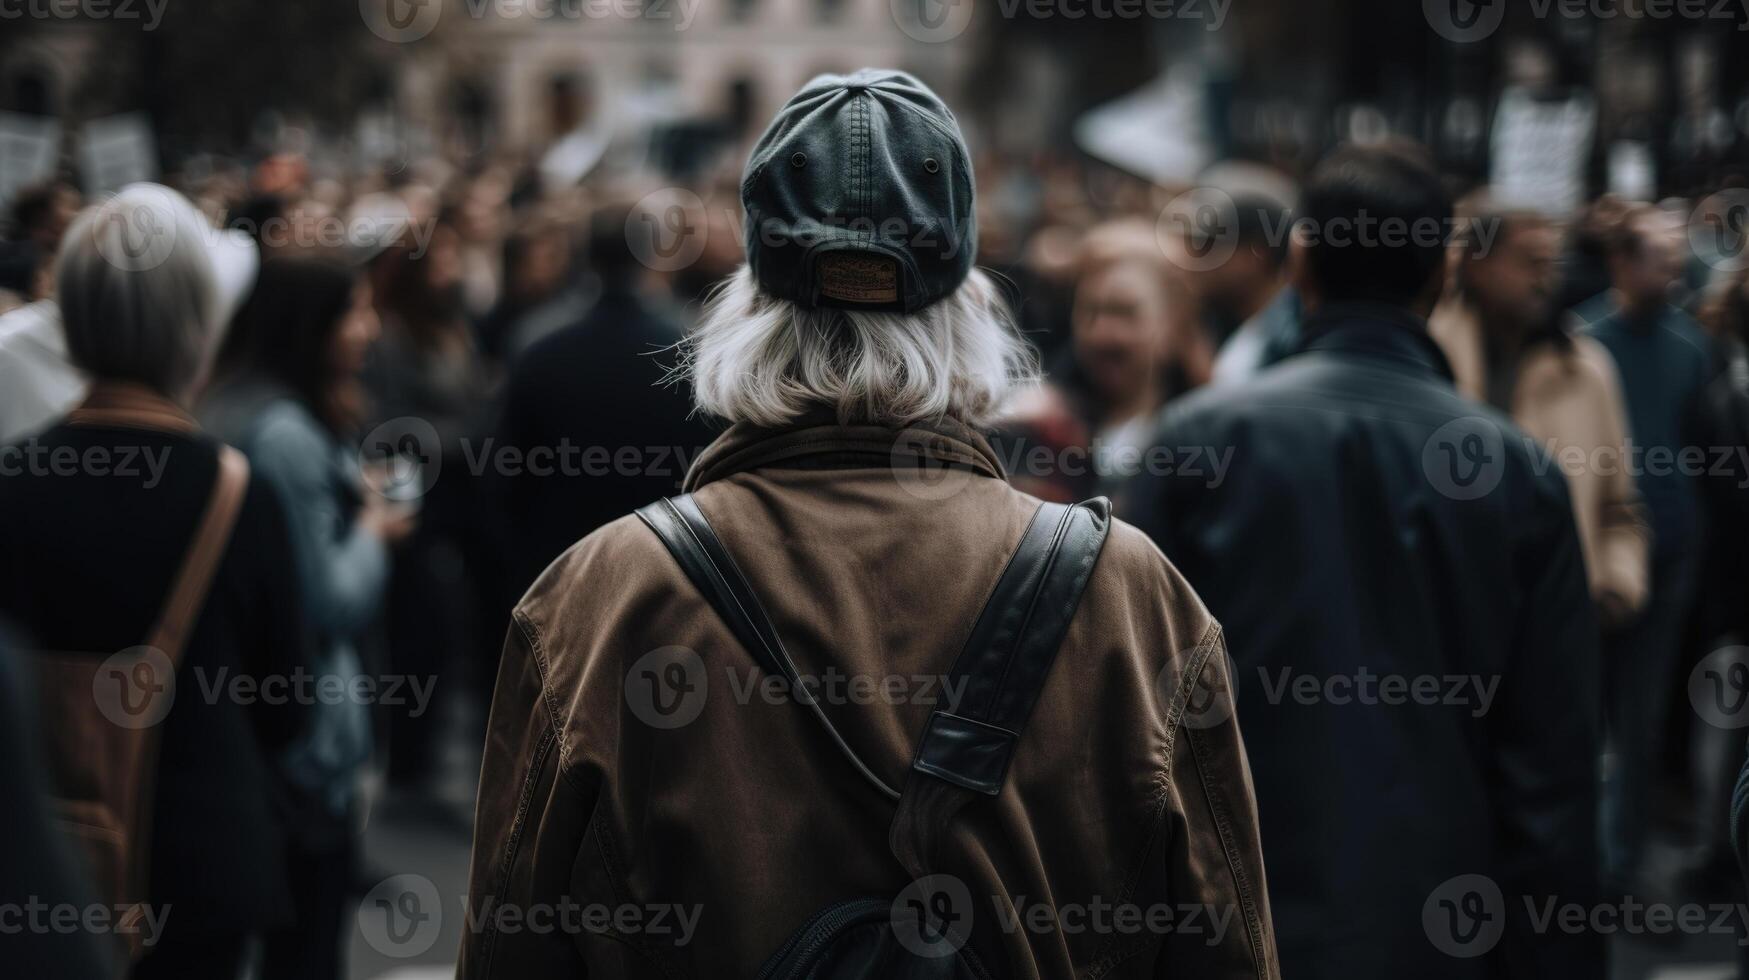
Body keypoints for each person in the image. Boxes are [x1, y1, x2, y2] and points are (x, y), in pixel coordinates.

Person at [461, 69, 1277, 979]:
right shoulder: (1134, 598)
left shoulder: (597, 599)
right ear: (967, 308)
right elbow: (1225, 948)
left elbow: (510, 952)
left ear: (751, 308)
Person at [1123, 144, 1601, 979]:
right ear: (1444, 272)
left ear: (1299, 258)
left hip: (1225, 927)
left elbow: (1126, 718)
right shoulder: (1516, 472)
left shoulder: (1195, 444)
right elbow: (1552, 771)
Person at [0, 184, 308, 979]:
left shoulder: (11, 481)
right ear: (198, 323)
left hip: (37, 864)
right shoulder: (241, 493)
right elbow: (288, 707)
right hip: (200, 866)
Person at [202, 255, 412, 980]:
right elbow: (326, 597)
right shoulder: (284, 435)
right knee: (307, 952)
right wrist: (374, 528)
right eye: (353, 311)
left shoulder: (240, 405)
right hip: (305, 750)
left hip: (268, 741)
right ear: (309, 326)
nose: (369, 327)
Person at [1430, 198, 1650, 626]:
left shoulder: (1587, 371)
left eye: (1551, 263)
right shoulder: (1429, 355)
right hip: (1443, 621)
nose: (1545, 279)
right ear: (1475, 265)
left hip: (1552, 624)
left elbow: (1620, 508)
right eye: (1529, 262)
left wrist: (1614, 587)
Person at [1586, 207, 1716, 890]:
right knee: (1579, 717)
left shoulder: (1690, 345)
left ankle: (1621, 869)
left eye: (1675, 260)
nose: (1671, 273)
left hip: (1670, 554)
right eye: (1656, 258)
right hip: (1590, 561)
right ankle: (1573, 862)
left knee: (1640, 719)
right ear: (1619, 262)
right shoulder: (1581, 343)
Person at [493, 199, 716, 593]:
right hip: (668, 566)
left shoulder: (537, 347)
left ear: (585, 258)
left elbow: (510, 479)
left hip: (564, 567)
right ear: (652, 257)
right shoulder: (689, 348)